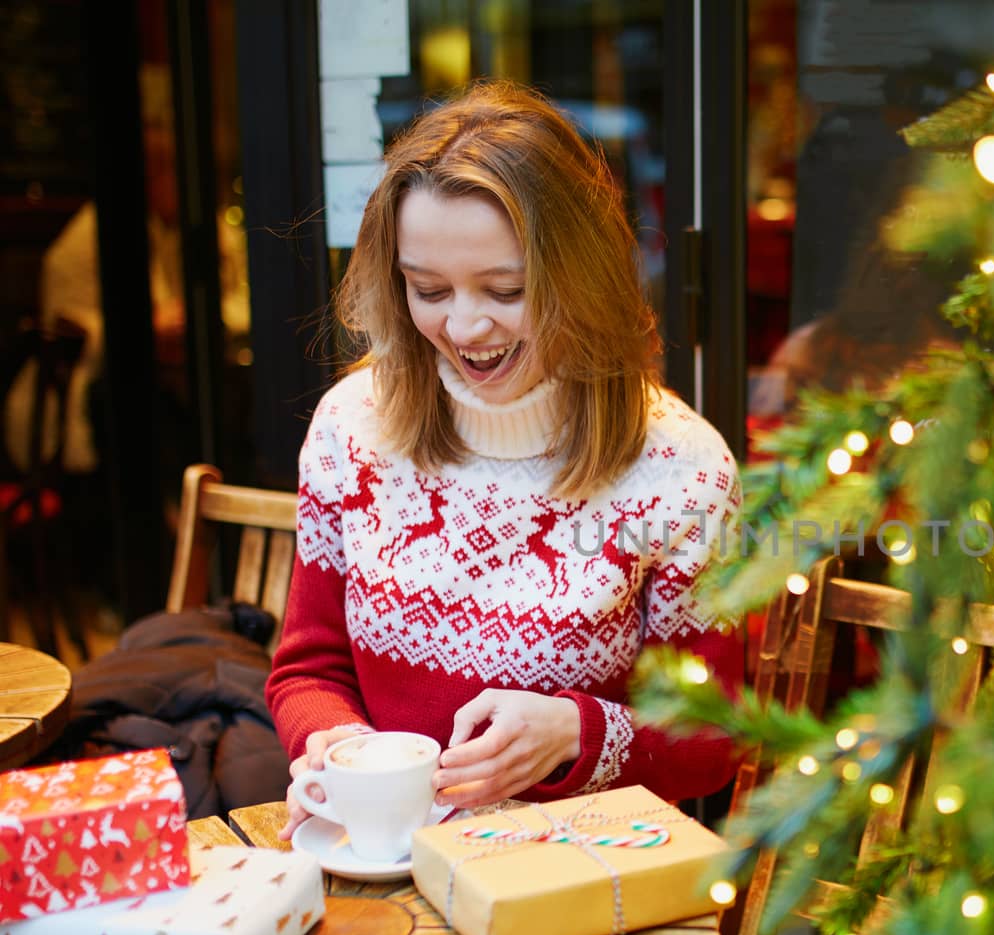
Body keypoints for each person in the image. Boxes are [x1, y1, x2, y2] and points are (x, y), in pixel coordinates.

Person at [267, 82, 743, 840]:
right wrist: (338, 745)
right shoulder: (350, 428)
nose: (463, 324)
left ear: (579, 276)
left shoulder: (681, 469)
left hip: (579, 889)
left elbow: (713, 745)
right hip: (395, 864)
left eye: (506, 289)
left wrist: (575, 733)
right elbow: (308, 672)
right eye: (427, 288)